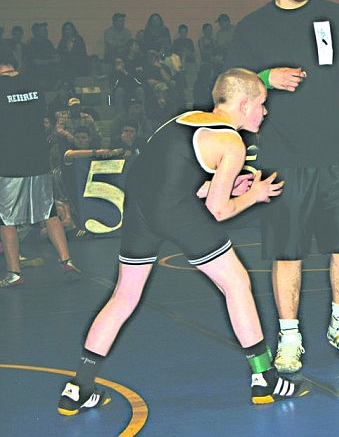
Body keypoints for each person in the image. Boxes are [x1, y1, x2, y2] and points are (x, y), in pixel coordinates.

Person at [56, 68, 307, 417]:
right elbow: (218, 212)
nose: (265, 112)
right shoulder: (232, 142)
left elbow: (175, 174)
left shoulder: (185, 118)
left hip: (140, 208)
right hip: (174, 209)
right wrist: (255, 195)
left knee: (124, 296)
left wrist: (216, 187)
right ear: (244, 103)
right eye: (262, 104)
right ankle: (264, 378)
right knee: (236, 282)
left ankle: (78, 387)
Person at [224, 0, 339, 374]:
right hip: (283, 158)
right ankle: (290, 337)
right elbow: (227, 86)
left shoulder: (336, 16)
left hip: (337, 154)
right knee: (288, 253)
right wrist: (265, 77)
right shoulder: (252, 28)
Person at [0, 48, 82, 288]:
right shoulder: (33, 84)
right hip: (38, 158)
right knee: (49, 213)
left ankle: (14, 272)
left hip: (9, 160)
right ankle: (67, 261)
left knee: (6, 218)